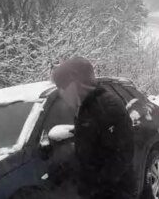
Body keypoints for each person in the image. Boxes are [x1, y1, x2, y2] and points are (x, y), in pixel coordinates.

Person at [51, 57, 137, 199]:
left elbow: (121, 157)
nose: (61, 93)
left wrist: (92, 185)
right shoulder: (86, 109)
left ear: (75, 84)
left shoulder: (106, 107)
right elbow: (93, 151)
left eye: (62, 87)